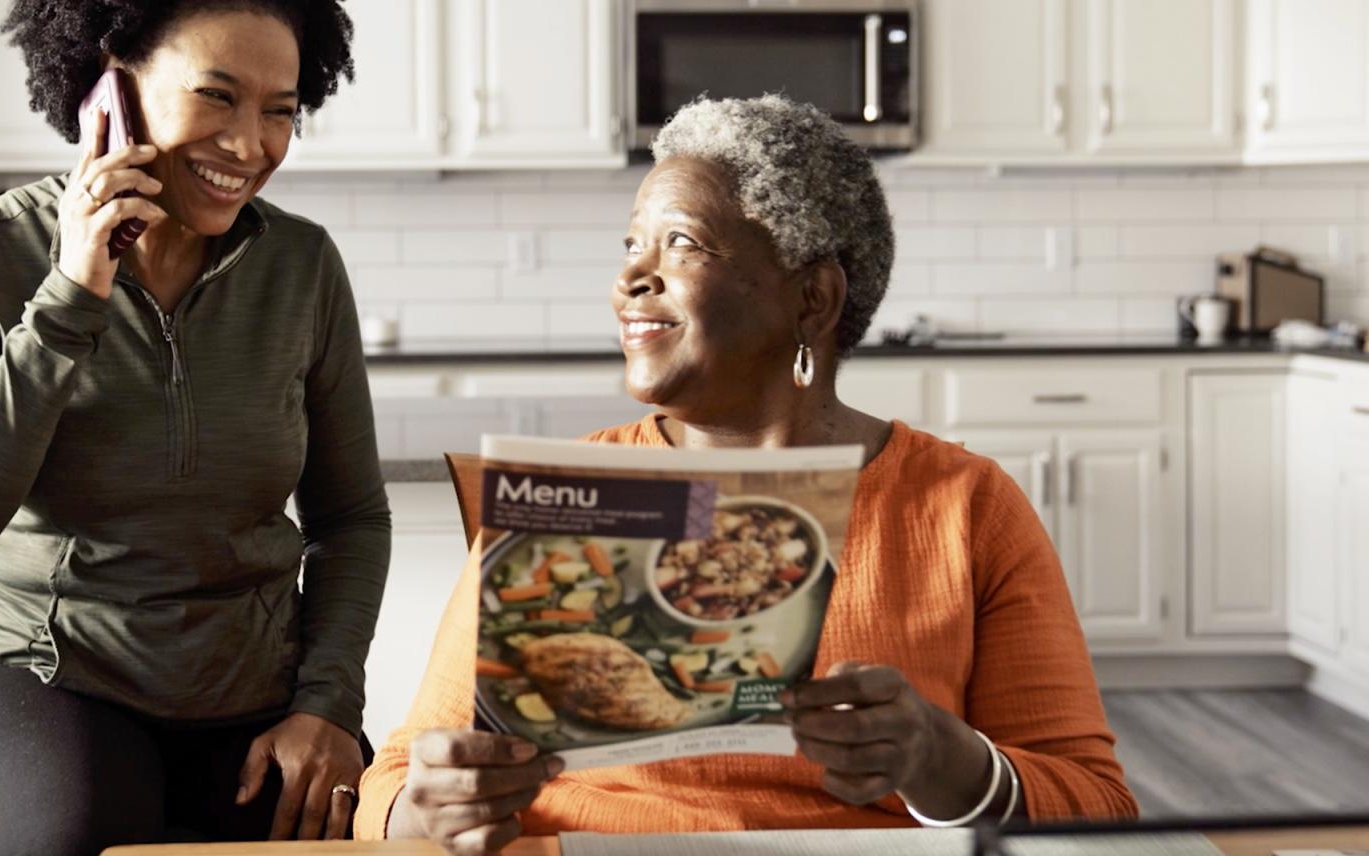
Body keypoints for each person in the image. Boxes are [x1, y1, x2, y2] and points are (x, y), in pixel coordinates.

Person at [356, 95, 1138, 855]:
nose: (633, 278)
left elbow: (1097, 806)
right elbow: (392, 785)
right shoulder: (568, 494)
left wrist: (940, 756)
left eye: (684, 245)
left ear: (813, 299)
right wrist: (431, 810)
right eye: (633, 245)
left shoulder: (964, 506)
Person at [0, 0, 390, 855]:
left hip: (251, 705)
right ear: (112, 83)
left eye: (281, 108)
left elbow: (351, 517)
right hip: (30, 685)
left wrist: (328, 705)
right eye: (217, 96)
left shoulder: (302, 267)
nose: (250, 143)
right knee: (65, 830)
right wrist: (71, 294)